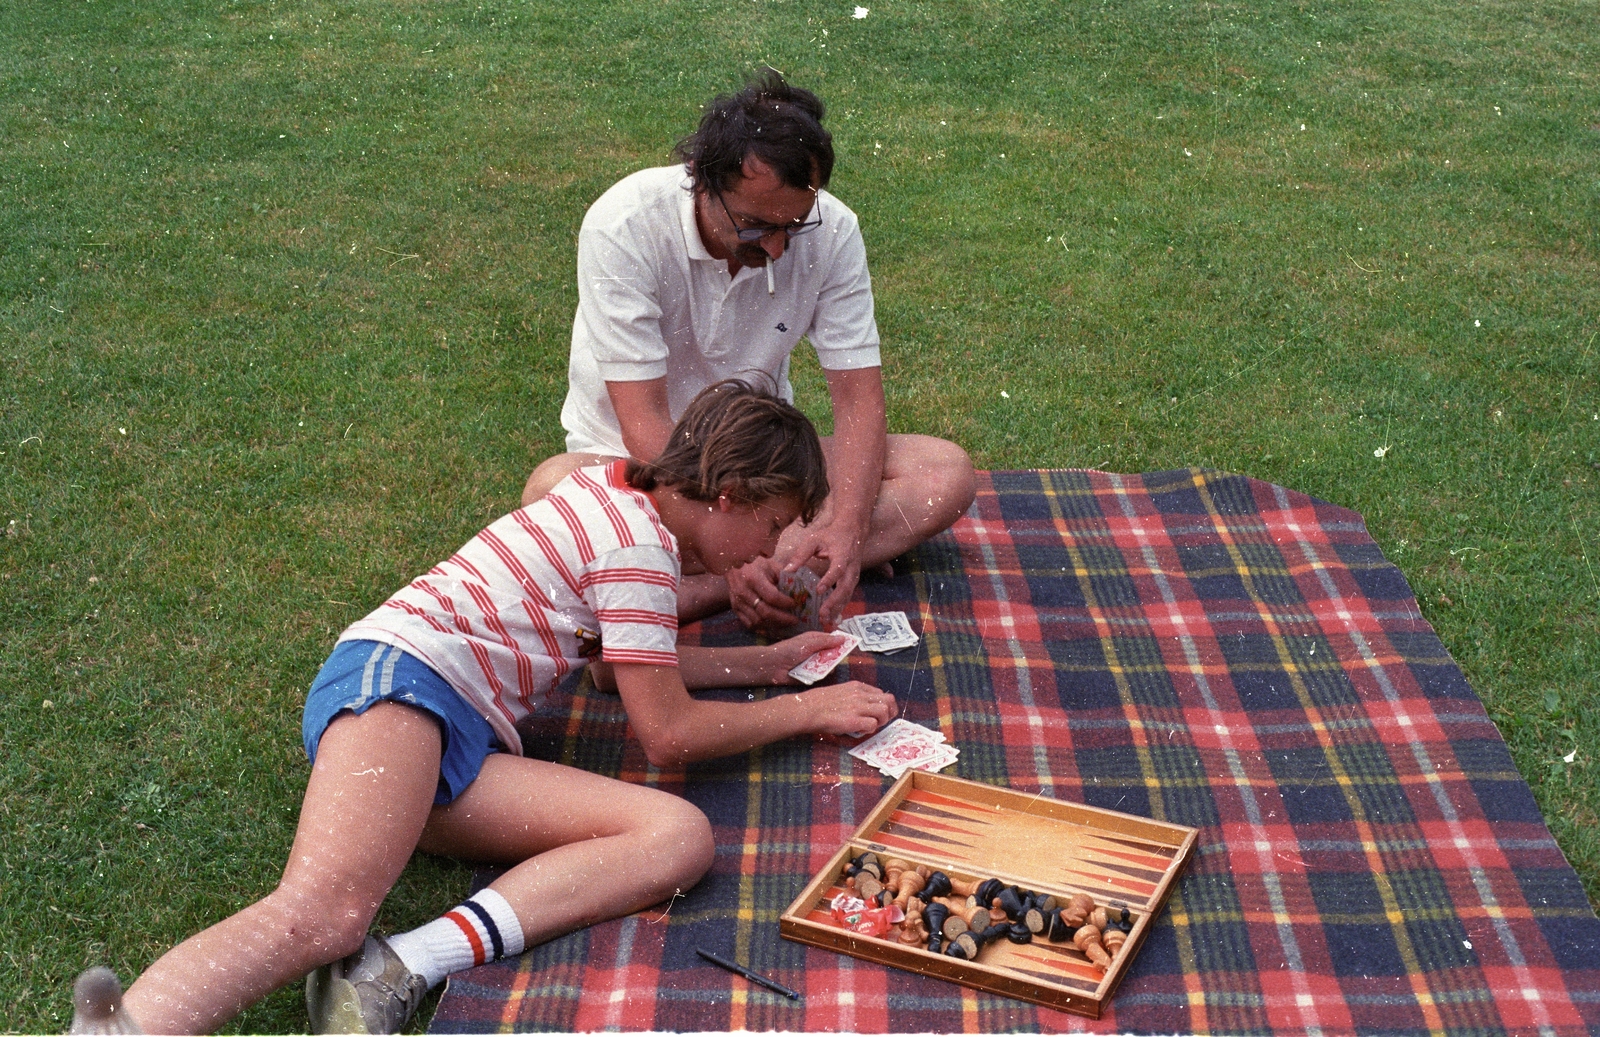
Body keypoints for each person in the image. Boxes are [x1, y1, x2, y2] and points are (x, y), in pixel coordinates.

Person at [82, 381, 897, 1035]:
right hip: (399, 687)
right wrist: (807, 711)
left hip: (449, 734)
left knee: (677, 836)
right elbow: (668, 731)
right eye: (774, 523)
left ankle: (402, 963)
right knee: (324, 911)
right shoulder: (636, 548)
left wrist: (769, 661)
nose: (769, 550)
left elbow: (622, 671)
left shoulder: (621, 500)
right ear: (728, 494)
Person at [521, 70, 976, 632]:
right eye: (756, 225)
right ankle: (748, 575)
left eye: (795, 224)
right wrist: (736, 552)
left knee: (944, 473)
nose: (780, 246)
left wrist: (849, 529)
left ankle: (689, 582)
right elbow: (645, 425)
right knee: (549, 487)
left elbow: (859, 403)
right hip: (642, 472)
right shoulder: (623, 225)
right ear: (702, 181)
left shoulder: (834, 231)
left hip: (765, 472)